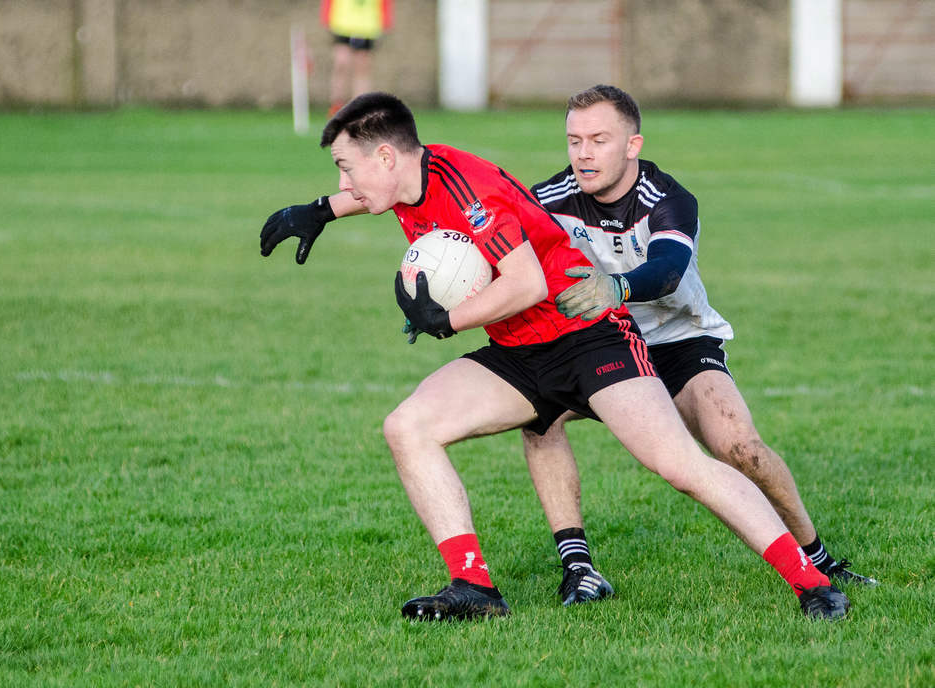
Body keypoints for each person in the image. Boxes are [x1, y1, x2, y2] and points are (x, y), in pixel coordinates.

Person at [259, 92, 851, 621]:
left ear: (386, 157)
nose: (345, 182)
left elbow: (527, 286)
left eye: (345, 169)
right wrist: (319, 211)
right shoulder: (410, 180)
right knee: (407, 427)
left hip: (587, 336)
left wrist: (446, 321)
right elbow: (376, 197)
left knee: (681, 466)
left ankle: (812, 582)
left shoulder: (469, 187)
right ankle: (473, 587)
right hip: (520, 352)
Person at [525, 84, 877, 607]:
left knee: (740, 449)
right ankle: (579, 568)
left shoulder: (668, 199)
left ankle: (817, 558)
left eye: (599, 139)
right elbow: (493, 243)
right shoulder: (546, 199)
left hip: (678, 343)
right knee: (540, 416)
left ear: (632, 144)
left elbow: (667, 271)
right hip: (599, 345)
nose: (583, 153)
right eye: (574, 140)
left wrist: (615, 288)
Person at [320, 0, 394, 117]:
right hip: (342, 23)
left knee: (362, 68)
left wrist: (386, 21)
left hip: (367, 26)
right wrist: (326, 16)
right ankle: (337, 104)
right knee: (341, 62)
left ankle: (360, 108)